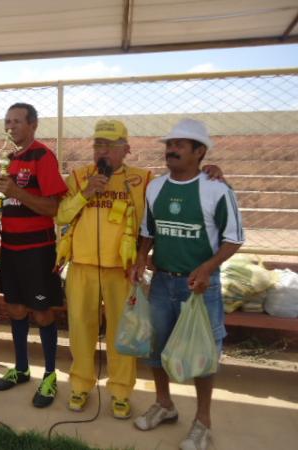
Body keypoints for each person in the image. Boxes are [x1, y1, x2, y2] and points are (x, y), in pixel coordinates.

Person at [130, 119, 244, 450]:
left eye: (181, 144)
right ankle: (164, 405)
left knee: (203, 355)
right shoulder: (155, 187)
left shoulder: (217, 189)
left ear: (200, 152)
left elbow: (233, 239)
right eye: (170, 144)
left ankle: (202, 422)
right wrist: (141, 259)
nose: (172, 149)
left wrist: (208, 268)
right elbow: (148, 231)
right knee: (156, 350)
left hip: (200, 286)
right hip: (163, 282)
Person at [56, 120, 152, 417]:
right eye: (98, 144)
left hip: (121, 269)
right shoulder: (79, 176)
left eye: (110, 146)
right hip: (82, 265)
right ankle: (81, 385)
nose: (103, 151)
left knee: (120, 332)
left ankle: (121, 391)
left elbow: (150, 225)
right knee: (81, 329)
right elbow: (62, 216)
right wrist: (87, 193)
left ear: (126, 149)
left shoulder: (143, 179)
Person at [0, 103, 68, 408]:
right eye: (7, 121)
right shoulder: (8, 158)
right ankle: (22, 369)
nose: (10, 127)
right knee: (15, 309)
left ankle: (50, 376)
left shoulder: (42, 156)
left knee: (42, 312)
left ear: (33, 125)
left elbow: (54, 208)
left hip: (37, 251)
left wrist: (16, 192)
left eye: (17, 122)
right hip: (10, 248)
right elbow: (7, 201)